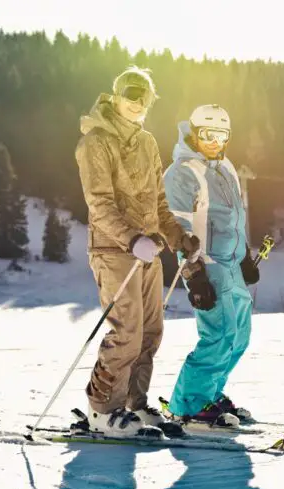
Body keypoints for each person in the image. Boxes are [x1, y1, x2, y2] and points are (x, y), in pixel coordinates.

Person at [75, 66, 201, 438]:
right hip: (115, 251)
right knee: (126, 330)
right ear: (115, 96)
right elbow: (99, 203)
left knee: (150, 331)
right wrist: (131, 239)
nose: (137, 102)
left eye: (144, 96)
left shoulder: (146, 142)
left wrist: (179, 237)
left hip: (148, 250)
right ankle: (102, 409)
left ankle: (134, 404)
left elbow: (159, 202)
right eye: (131, 93)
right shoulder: (96, 141)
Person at [161, 104, 260, 428]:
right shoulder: (182, 172)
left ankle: (211, 393)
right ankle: (188, 404)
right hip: (206, 265)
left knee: (240, 336)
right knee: (218, 335)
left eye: (221, 135)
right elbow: (178, 229)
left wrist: (244, 254)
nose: (215, 141)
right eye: (208, 134)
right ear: (194, 133)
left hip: (231, 263)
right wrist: (194, 275)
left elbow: (233, 218)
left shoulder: (226, 167)